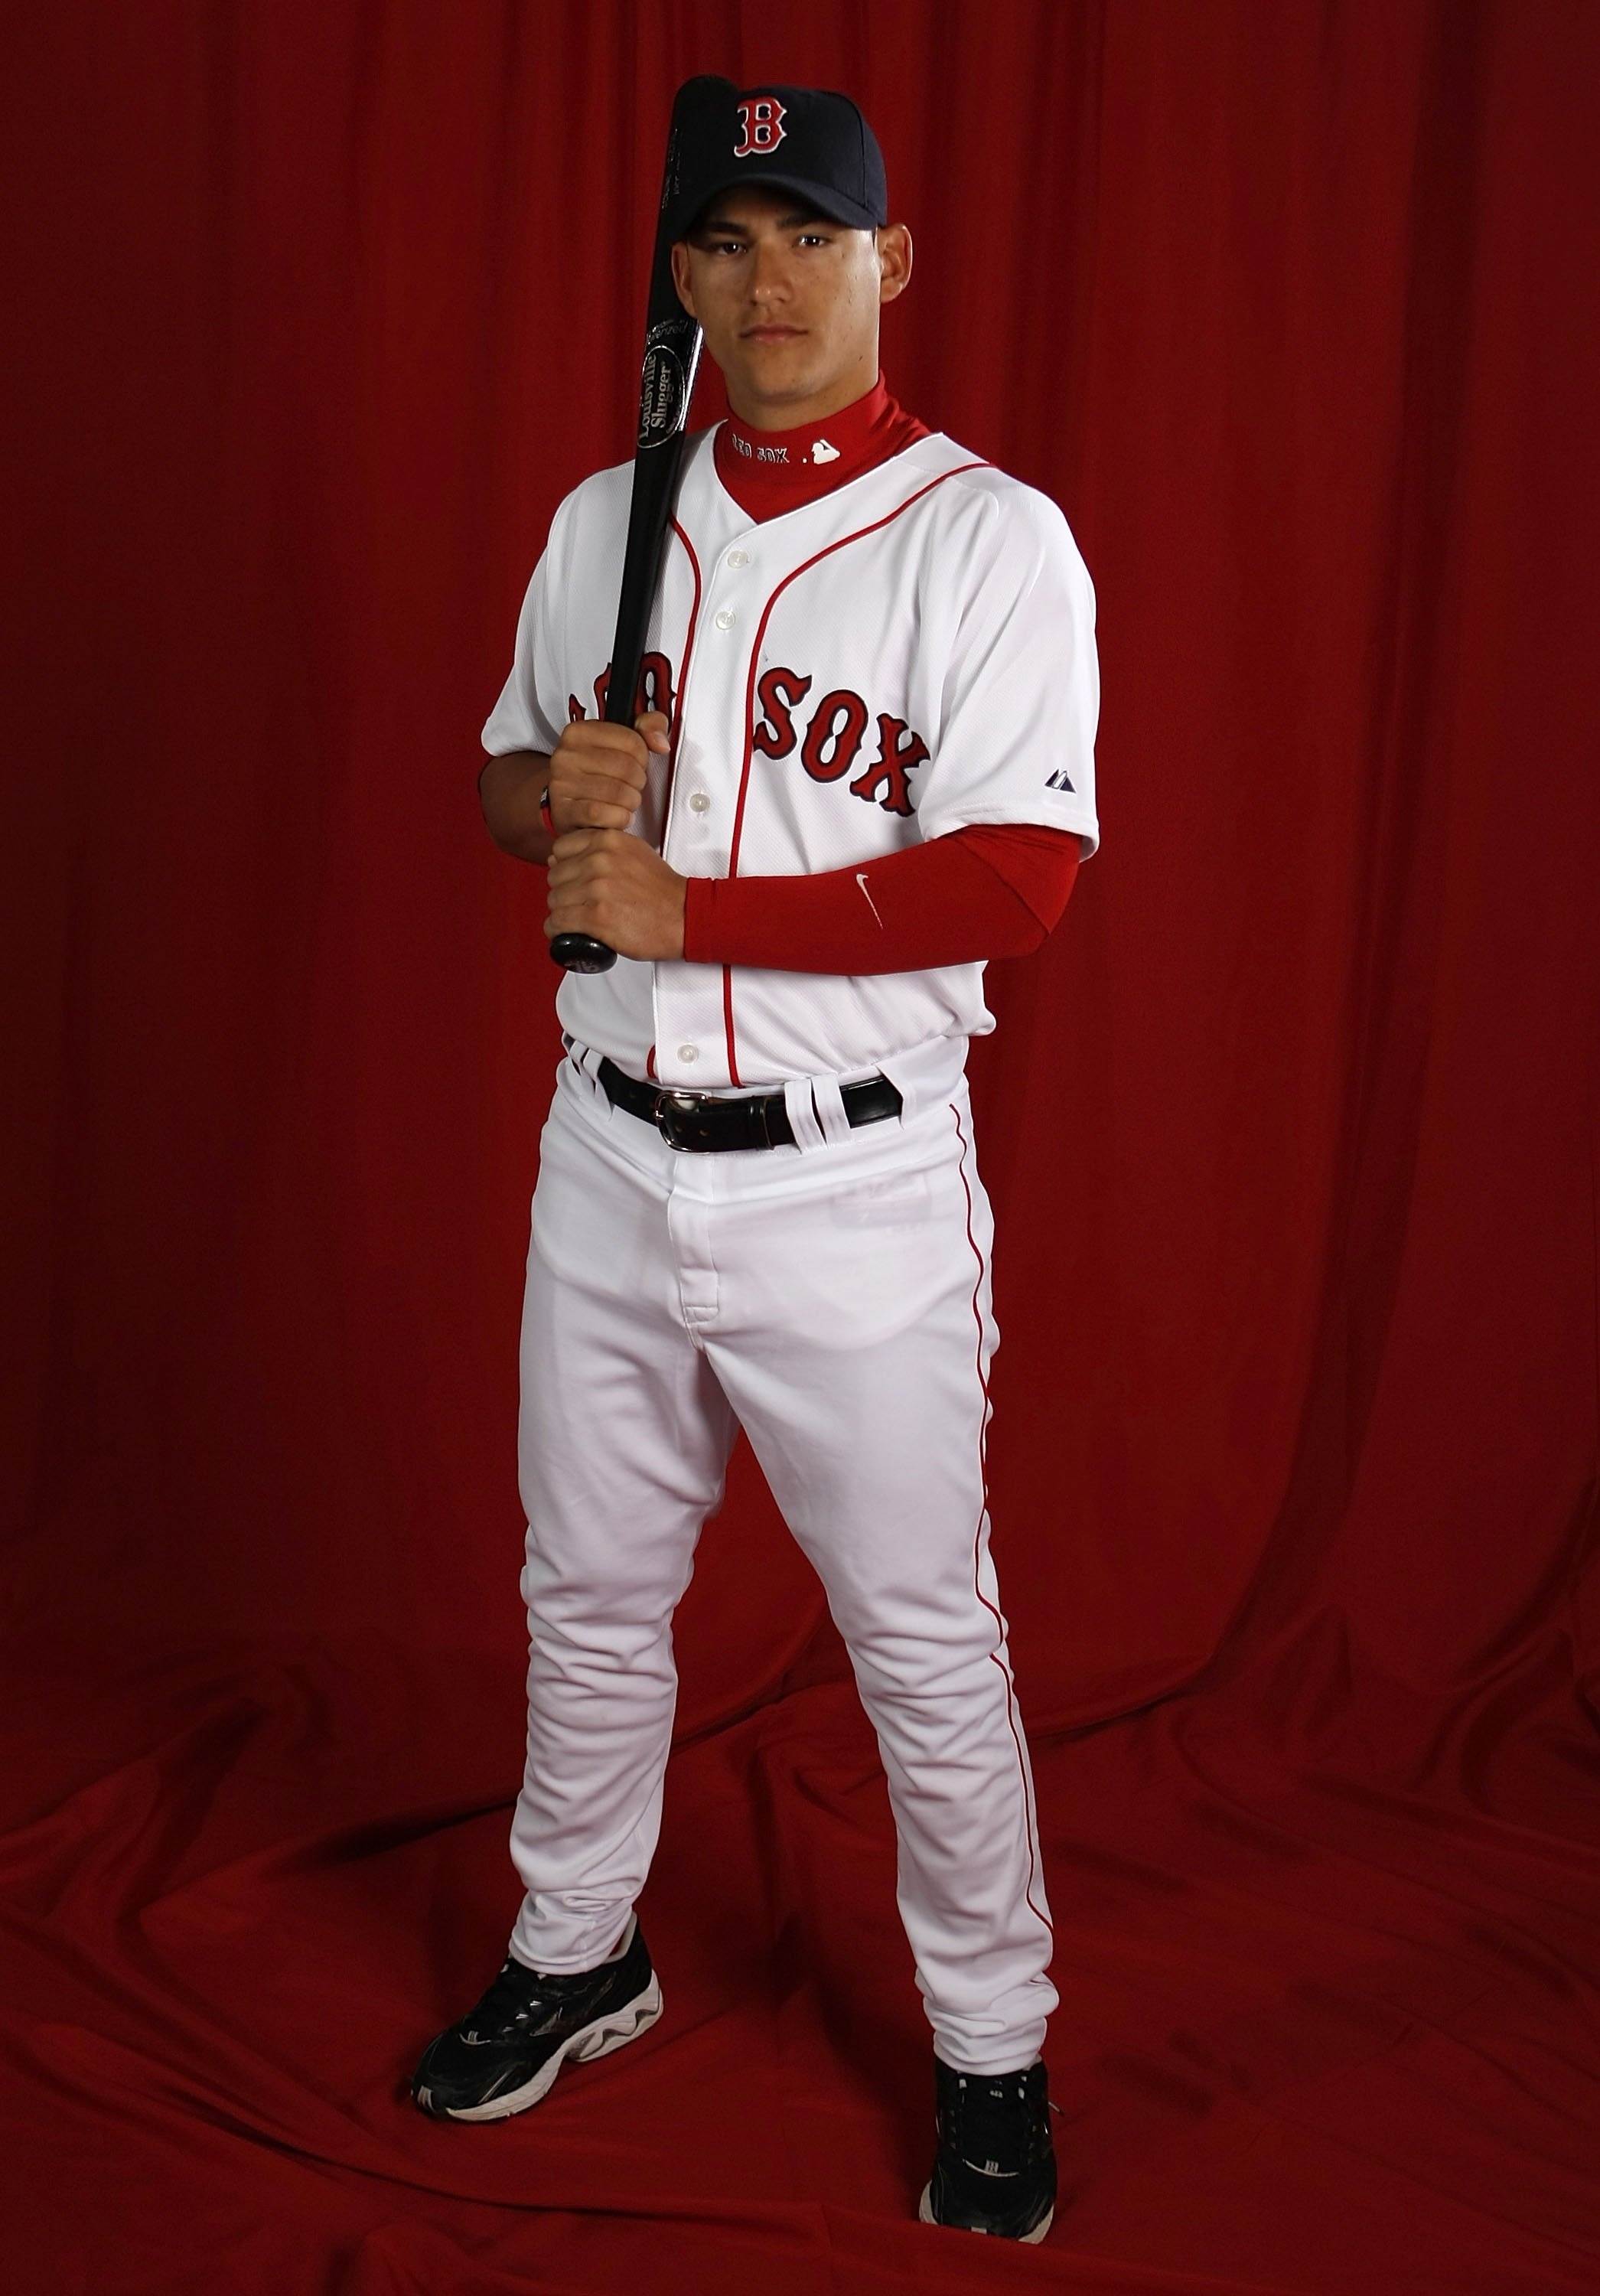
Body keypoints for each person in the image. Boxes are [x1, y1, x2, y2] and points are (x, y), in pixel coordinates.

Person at [411, 80, 1099, 2245]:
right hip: (606, 1151)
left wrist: (684, 904)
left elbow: (1022, 879)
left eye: (813, 234)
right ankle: (576, 1951)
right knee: (591, 1604)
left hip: (852, 1178)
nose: (769, 280)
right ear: (682, 279)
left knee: (916, 1632)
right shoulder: (601, 515)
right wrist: (564, 796)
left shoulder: (992, 537)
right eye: (726, 239)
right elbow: (517, 789)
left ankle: (992, 2050)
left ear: (892, 261)